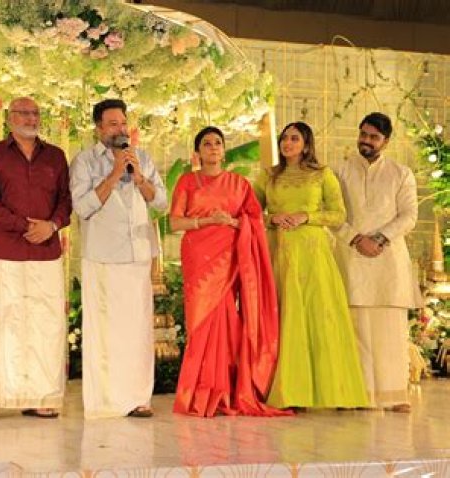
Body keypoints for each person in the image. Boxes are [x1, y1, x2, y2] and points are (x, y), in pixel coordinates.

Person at [170, 126, 289, 417]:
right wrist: (208, 221)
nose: (213, 147)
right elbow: (175, 223)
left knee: (226, 320)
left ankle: (224, 391)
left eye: (218, 143)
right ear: (197, 152)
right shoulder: (187, 181)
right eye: (206, 143)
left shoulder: (239, 184)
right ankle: (197, 394)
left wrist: (234, 223)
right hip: (199, 258)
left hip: (228, 259)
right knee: (200, 323)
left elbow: (254, 221)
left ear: (224, 150)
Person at [255, 121, 368, 409]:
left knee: (319, 315)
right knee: (286, 316)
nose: (287, 143)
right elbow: (250, 212)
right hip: (280, 252)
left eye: (295, 138)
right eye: (284, 138)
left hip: (314, 254)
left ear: (306, 145)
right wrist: (272, 218)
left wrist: (306, 216)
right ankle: (290, 392)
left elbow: (338, 215)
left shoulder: (322, 174)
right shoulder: (269, 176)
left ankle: (333, 392)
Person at [70, 98, 167, 419]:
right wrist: (113, 175)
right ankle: (106, 401)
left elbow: (161, 202)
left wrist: (139, 178)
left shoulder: (142, 158)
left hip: (138, 255)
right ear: (98, 128)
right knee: (106, 332)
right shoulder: (84, 161)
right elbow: (82, 207)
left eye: (123, 123)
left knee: (137, 330)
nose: (120, 129)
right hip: (103, 256)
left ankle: (138, 398)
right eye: (113, 124)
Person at [0, 97, 71, 420]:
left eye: (35, 114)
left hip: (47, 252)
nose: (31, 119)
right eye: (24, 113)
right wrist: (24, 226)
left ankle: (42, 395)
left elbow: (66, 200)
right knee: (5, 319)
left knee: (47, 322)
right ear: (10, 118)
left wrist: (51, 225)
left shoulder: (55, 156)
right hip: (9, 250)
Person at [334, 112, 420, 413]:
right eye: (363, 134)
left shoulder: (401, 173)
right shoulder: (340, 171)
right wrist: (356, 239)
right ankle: (358, 395)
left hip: (388, 260)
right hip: (351, 257)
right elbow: (333, 214)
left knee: (390, 330)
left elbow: (409, 216)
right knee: (355, 329)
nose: (366, 141)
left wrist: (380, 238)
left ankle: (394, 395)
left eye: (373, 137)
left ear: (386, 141)